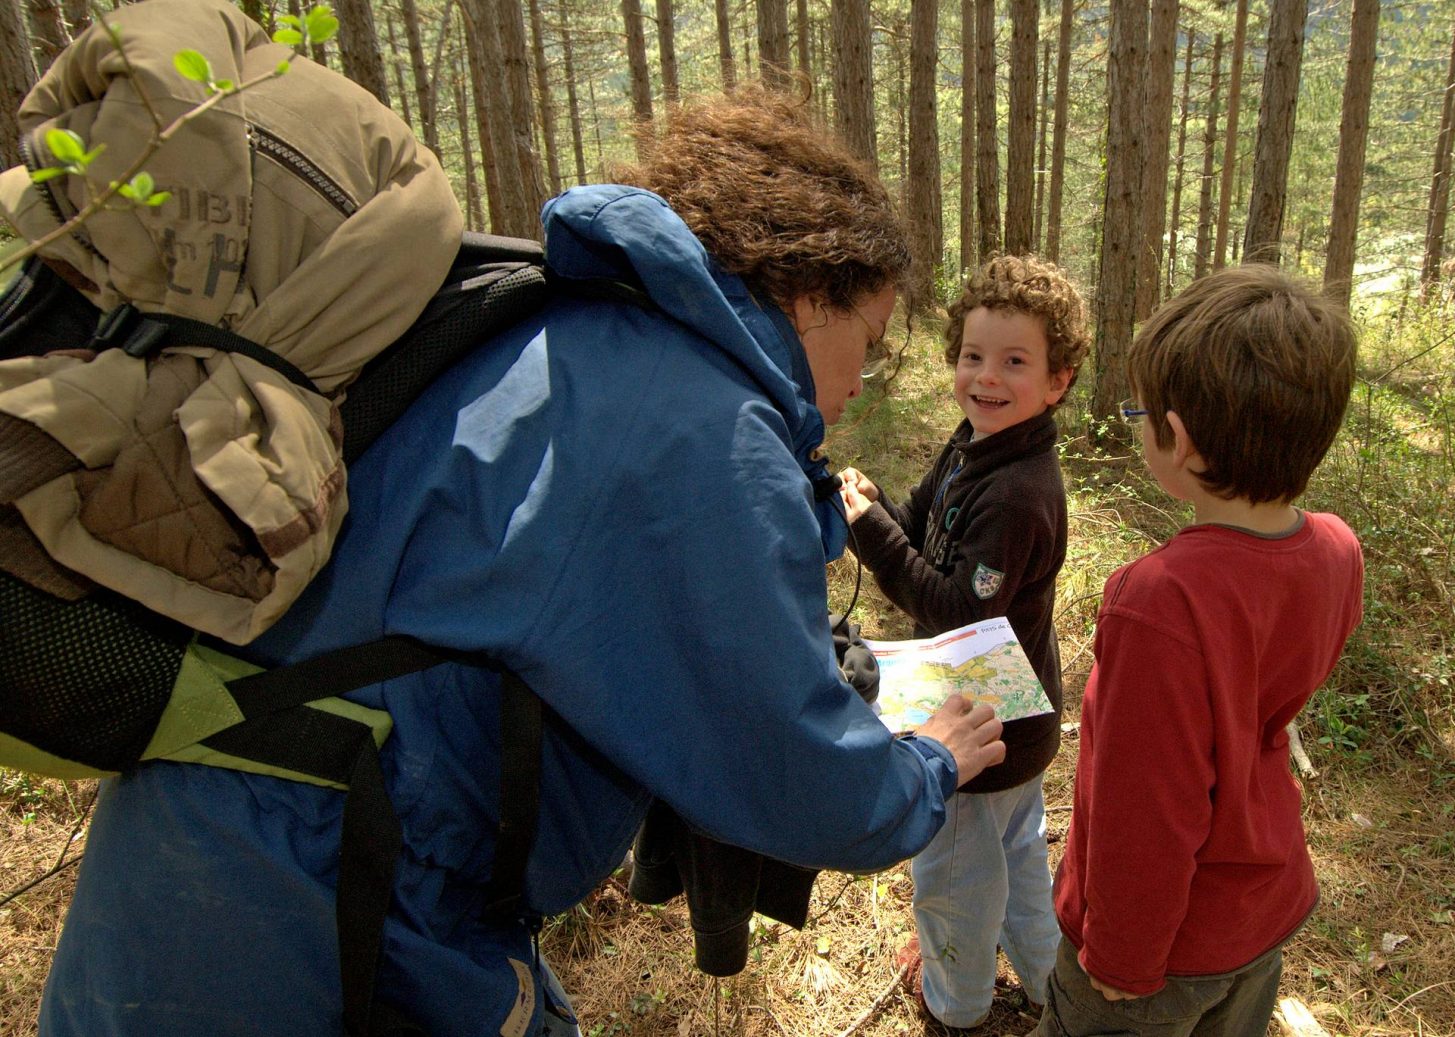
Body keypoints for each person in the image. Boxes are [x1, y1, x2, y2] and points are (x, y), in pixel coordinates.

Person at [36, 85, 1008, 1037]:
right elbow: (792, 769)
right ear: (806, 289)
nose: (856, 382)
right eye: (868, 343)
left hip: (228, 836)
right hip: (319, 897)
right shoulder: (701, 428)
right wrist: (925, 768)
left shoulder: (572, 333)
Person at [1035, 265, 1364, 1037]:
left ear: (1174, 438)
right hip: (1259, 911)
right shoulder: (1337, 551)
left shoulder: (1160, 599)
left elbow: (1145, 809)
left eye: (1138, 411)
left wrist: (1118, 960)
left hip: (1156, 956)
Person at [838, 254, 1090, 1033]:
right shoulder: (978, 442)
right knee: (1014, 861)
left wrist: (868, 535)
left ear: (1058, 381)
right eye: (973, 355)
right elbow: (922, 516)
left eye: (1015, 361)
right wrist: (880, 506)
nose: (985, 376)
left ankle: (957, 1005)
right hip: (1006, 715)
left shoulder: (1019, 492)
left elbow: (949, 606)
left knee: (952, 880)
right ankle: (1052, 983)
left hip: (982, 734)